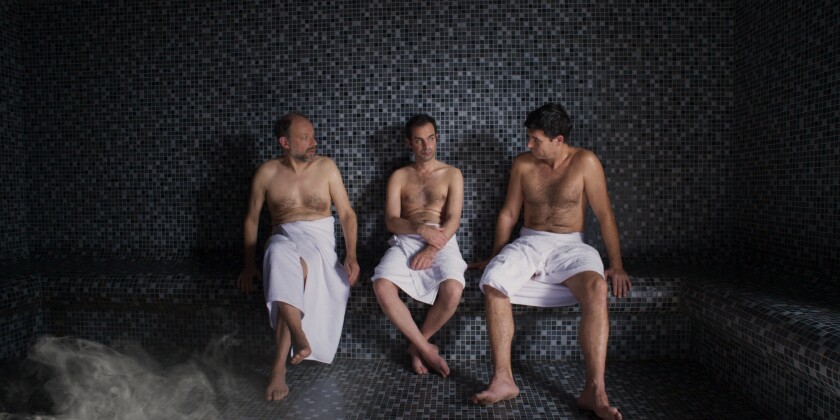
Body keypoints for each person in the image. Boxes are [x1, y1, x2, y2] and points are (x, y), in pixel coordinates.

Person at [469, 103, 631, 419]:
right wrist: (495, 255)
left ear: (558, 140)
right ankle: (503, 379)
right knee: (492, 281)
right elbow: (509, 214)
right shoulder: (523, 165)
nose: (529, 145)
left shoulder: (585, 162)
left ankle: (594, 390)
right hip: (529, 241)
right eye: (529, 137)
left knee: (597, 289)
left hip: (571, 247)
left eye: (536, 139)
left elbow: (604, 214)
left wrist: (617, 263)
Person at [235, 112, 360, 401]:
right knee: (278, 253)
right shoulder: (267, 173)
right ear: (285, 142)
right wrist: (249, 265)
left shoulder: (326, 167)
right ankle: (297, 338)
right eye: (305, 138)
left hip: (318, 245)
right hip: (284, 237)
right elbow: (252, 220)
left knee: (286, 269)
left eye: (313, 135)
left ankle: (279, 367)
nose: (313, 142)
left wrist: (351, 255)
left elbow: (347, 214)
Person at [371, 114, 467, 377]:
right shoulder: (399, 177)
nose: (427, 146)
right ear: (408, 143)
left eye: (431, 138)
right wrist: (418, 229)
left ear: (437, 137)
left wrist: (432, 247)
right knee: (381, 285)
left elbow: (453, 219)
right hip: (406, 238)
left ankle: (417, 346)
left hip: (441, 239)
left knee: (453, 290)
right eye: (419, 140)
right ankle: (426, 348)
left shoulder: (452, 174)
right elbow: (391, 220)